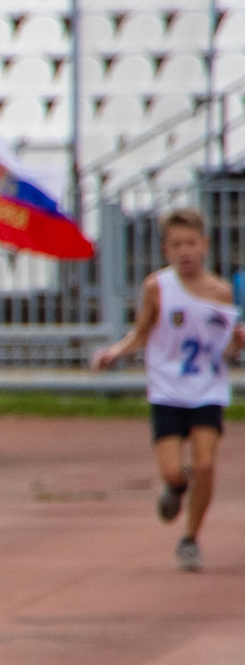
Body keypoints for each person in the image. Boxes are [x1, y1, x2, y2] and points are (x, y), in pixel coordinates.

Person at [92, 207, 241, 571]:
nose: (185, 251)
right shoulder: (157, 288)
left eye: (190, 243)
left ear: (204, 245)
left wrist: (238, 343)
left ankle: (190, 538)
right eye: (176, 245)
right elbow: (141, 333)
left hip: (206, 388)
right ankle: (175, 487)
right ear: (166, 250)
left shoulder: (220, 293)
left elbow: (226, 351)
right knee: (174, 471)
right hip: (167, 389)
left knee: (205, 465)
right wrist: (115, 352)